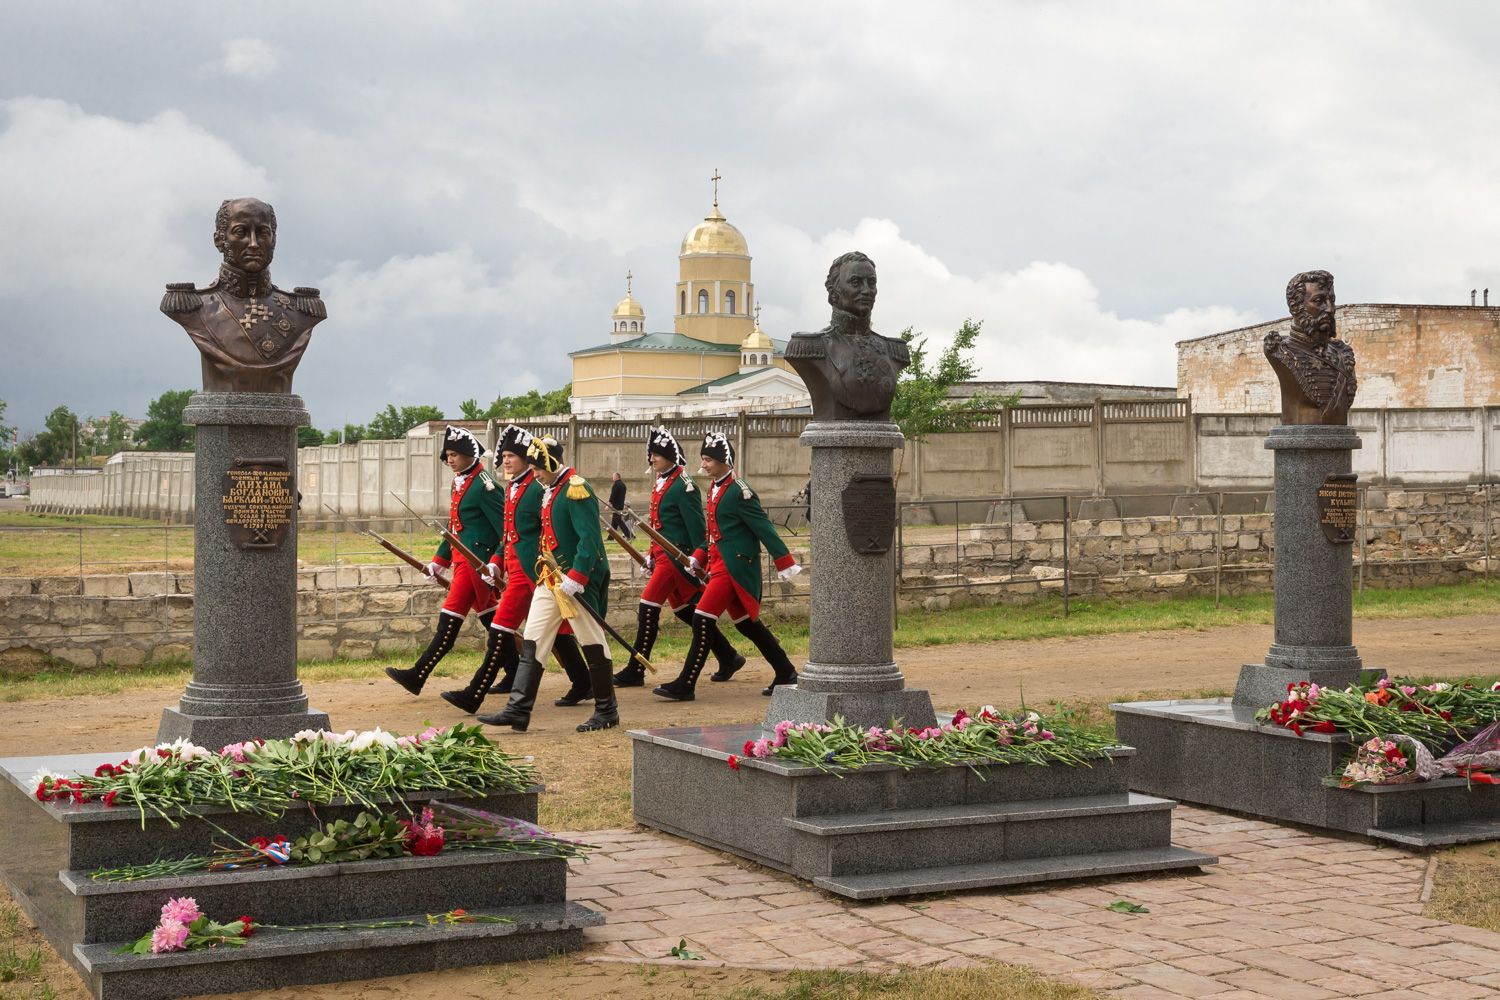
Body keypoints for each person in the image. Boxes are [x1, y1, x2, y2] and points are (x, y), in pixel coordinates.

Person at [437, 425, 593, 712]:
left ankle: (475, 694)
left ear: (527, 459)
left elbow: (551, 529)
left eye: (512, 455)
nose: (506, 461)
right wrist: (496, 563)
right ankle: (584, 681)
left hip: (533, 571)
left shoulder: (536, 489)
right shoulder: (514, 486)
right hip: (517, 569)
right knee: (554, 632)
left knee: (500, 628)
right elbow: (508, 534)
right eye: (504, 455)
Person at [478, 435, 619, 733]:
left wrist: (578, 577)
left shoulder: (575, 488)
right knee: (534, 638)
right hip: (551, 577)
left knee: (592, 640)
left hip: (576, 581)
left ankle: (607, 710)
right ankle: (518, 709)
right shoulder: (550, 488)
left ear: (552, 463)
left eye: (538, 467)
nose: (535, 473)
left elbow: (589, 540)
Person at [653, 432, 801, 702]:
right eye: (703, 459)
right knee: (747, 625)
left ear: (724, 461)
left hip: (735, 568)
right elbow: (712, 533)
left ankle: (686, 683)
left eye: (708, 460)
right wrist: (699, 555)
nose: (704, 464)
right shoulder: (715, 487)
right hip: (720, 565)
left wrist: (784, 561)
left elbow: (764, 528)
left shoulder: (739, 491)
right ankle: (786, 671)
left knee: (701, 618)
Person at [613, 427, 744, 689]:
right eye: (650, 455)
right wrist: (650, 555)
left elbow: (698, 532)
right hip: (662, 558)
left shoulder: (684, 487)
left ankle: (636, 668)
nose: (651, 459)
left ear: (670, 456)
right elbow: (659, 528)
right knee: (687, 613)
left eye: (656, 455)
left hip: (676, 561)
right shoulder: (663, 481)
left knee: (647, 606)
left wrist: (695, 561)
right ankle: (729, 656)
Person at [160, 197, 325, 394]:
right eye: (241, 232)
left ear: (274, 239)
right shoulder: (192, 307)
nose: (254, 243)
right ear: (219, 240)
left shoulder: (303, 311)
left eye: (263, 232)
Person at [385, 426, 502, 698]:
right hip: (463, 562)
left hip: (479, 564)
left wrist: (495, 565)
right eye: (447, 455)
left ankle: (418, 674)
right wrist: (440, 561)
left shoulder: (485, 486)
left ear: (469, 455)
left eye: (455, 455)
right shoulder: (460, 481)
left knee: (455, 619)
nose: (449, 459)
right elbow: (455, 526)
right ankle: (515, 670)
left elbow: (506, 532)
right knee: (484, 619)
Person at [784, 250, 910, 422]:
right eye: (856, 282)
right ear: (834, 292)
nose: (866, 290)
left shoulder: (894, 350)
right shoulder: (810, 348)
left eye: (871, 282)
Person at [1263, 270, 1357, 425]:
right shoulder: (1279, 350)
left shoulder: (1343, 354)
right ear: (1296, 307)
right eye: (1319, 301)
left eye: (1331, 300)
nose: (1330, 309)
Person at [608, 472, 633, 540]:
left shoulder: (616, 484)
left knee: (618, 520)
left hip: (616, 505)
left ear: (617, 477)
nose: (612, 477)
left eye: (613, 476)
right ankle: (611, 537)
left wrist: (609, 503)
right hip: (621, 505)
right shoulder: (623, 485)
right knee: (614, 522)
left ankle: (629, 535)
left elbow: (613, 494)